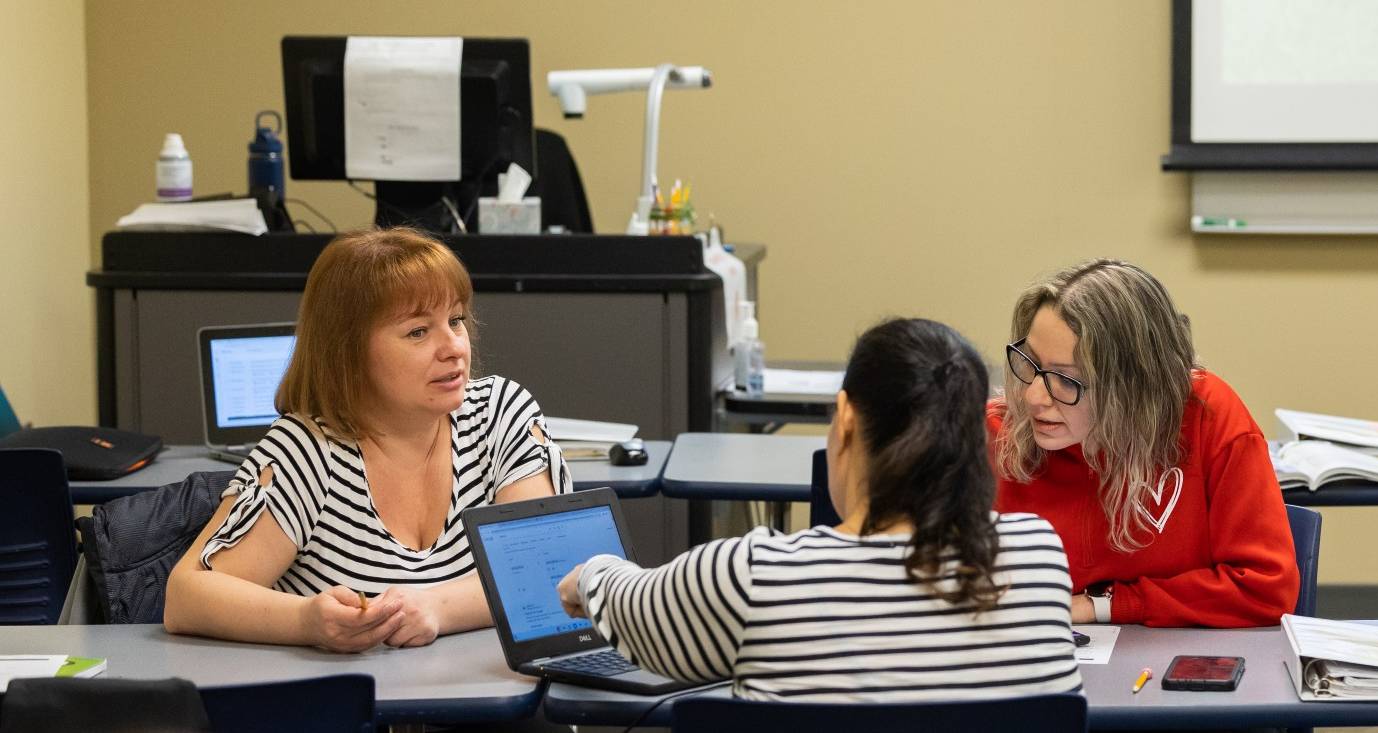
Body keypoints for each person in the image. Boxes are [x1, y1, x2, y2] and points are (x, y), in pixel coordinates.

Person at [557, 318, 1082, 701]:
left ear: (846, 419)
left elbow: (628, 608)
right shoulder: (1036, 555)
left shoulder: (754, 576)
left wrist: (587, 577)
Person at [164, 228, 569, 652]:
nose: (453, 348)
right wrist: (305, 621)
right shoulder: (308, 450)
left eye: (455, 321)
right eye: (418, 332)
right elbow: (187, 598)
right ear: (350, 352)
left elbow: (549, 570)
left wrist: (436, 609)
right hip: (356, 711)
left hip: (495, 701)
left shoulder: (500, 412)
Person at [990, 259, 1297, 628]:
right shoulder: (993, 434)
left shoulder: (1206, 417)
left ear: (1136, 387)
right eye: (1030, 364)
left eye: (1068, 381)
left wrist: (1100, 605)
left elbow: (1264, 590)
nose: (1034, 398)